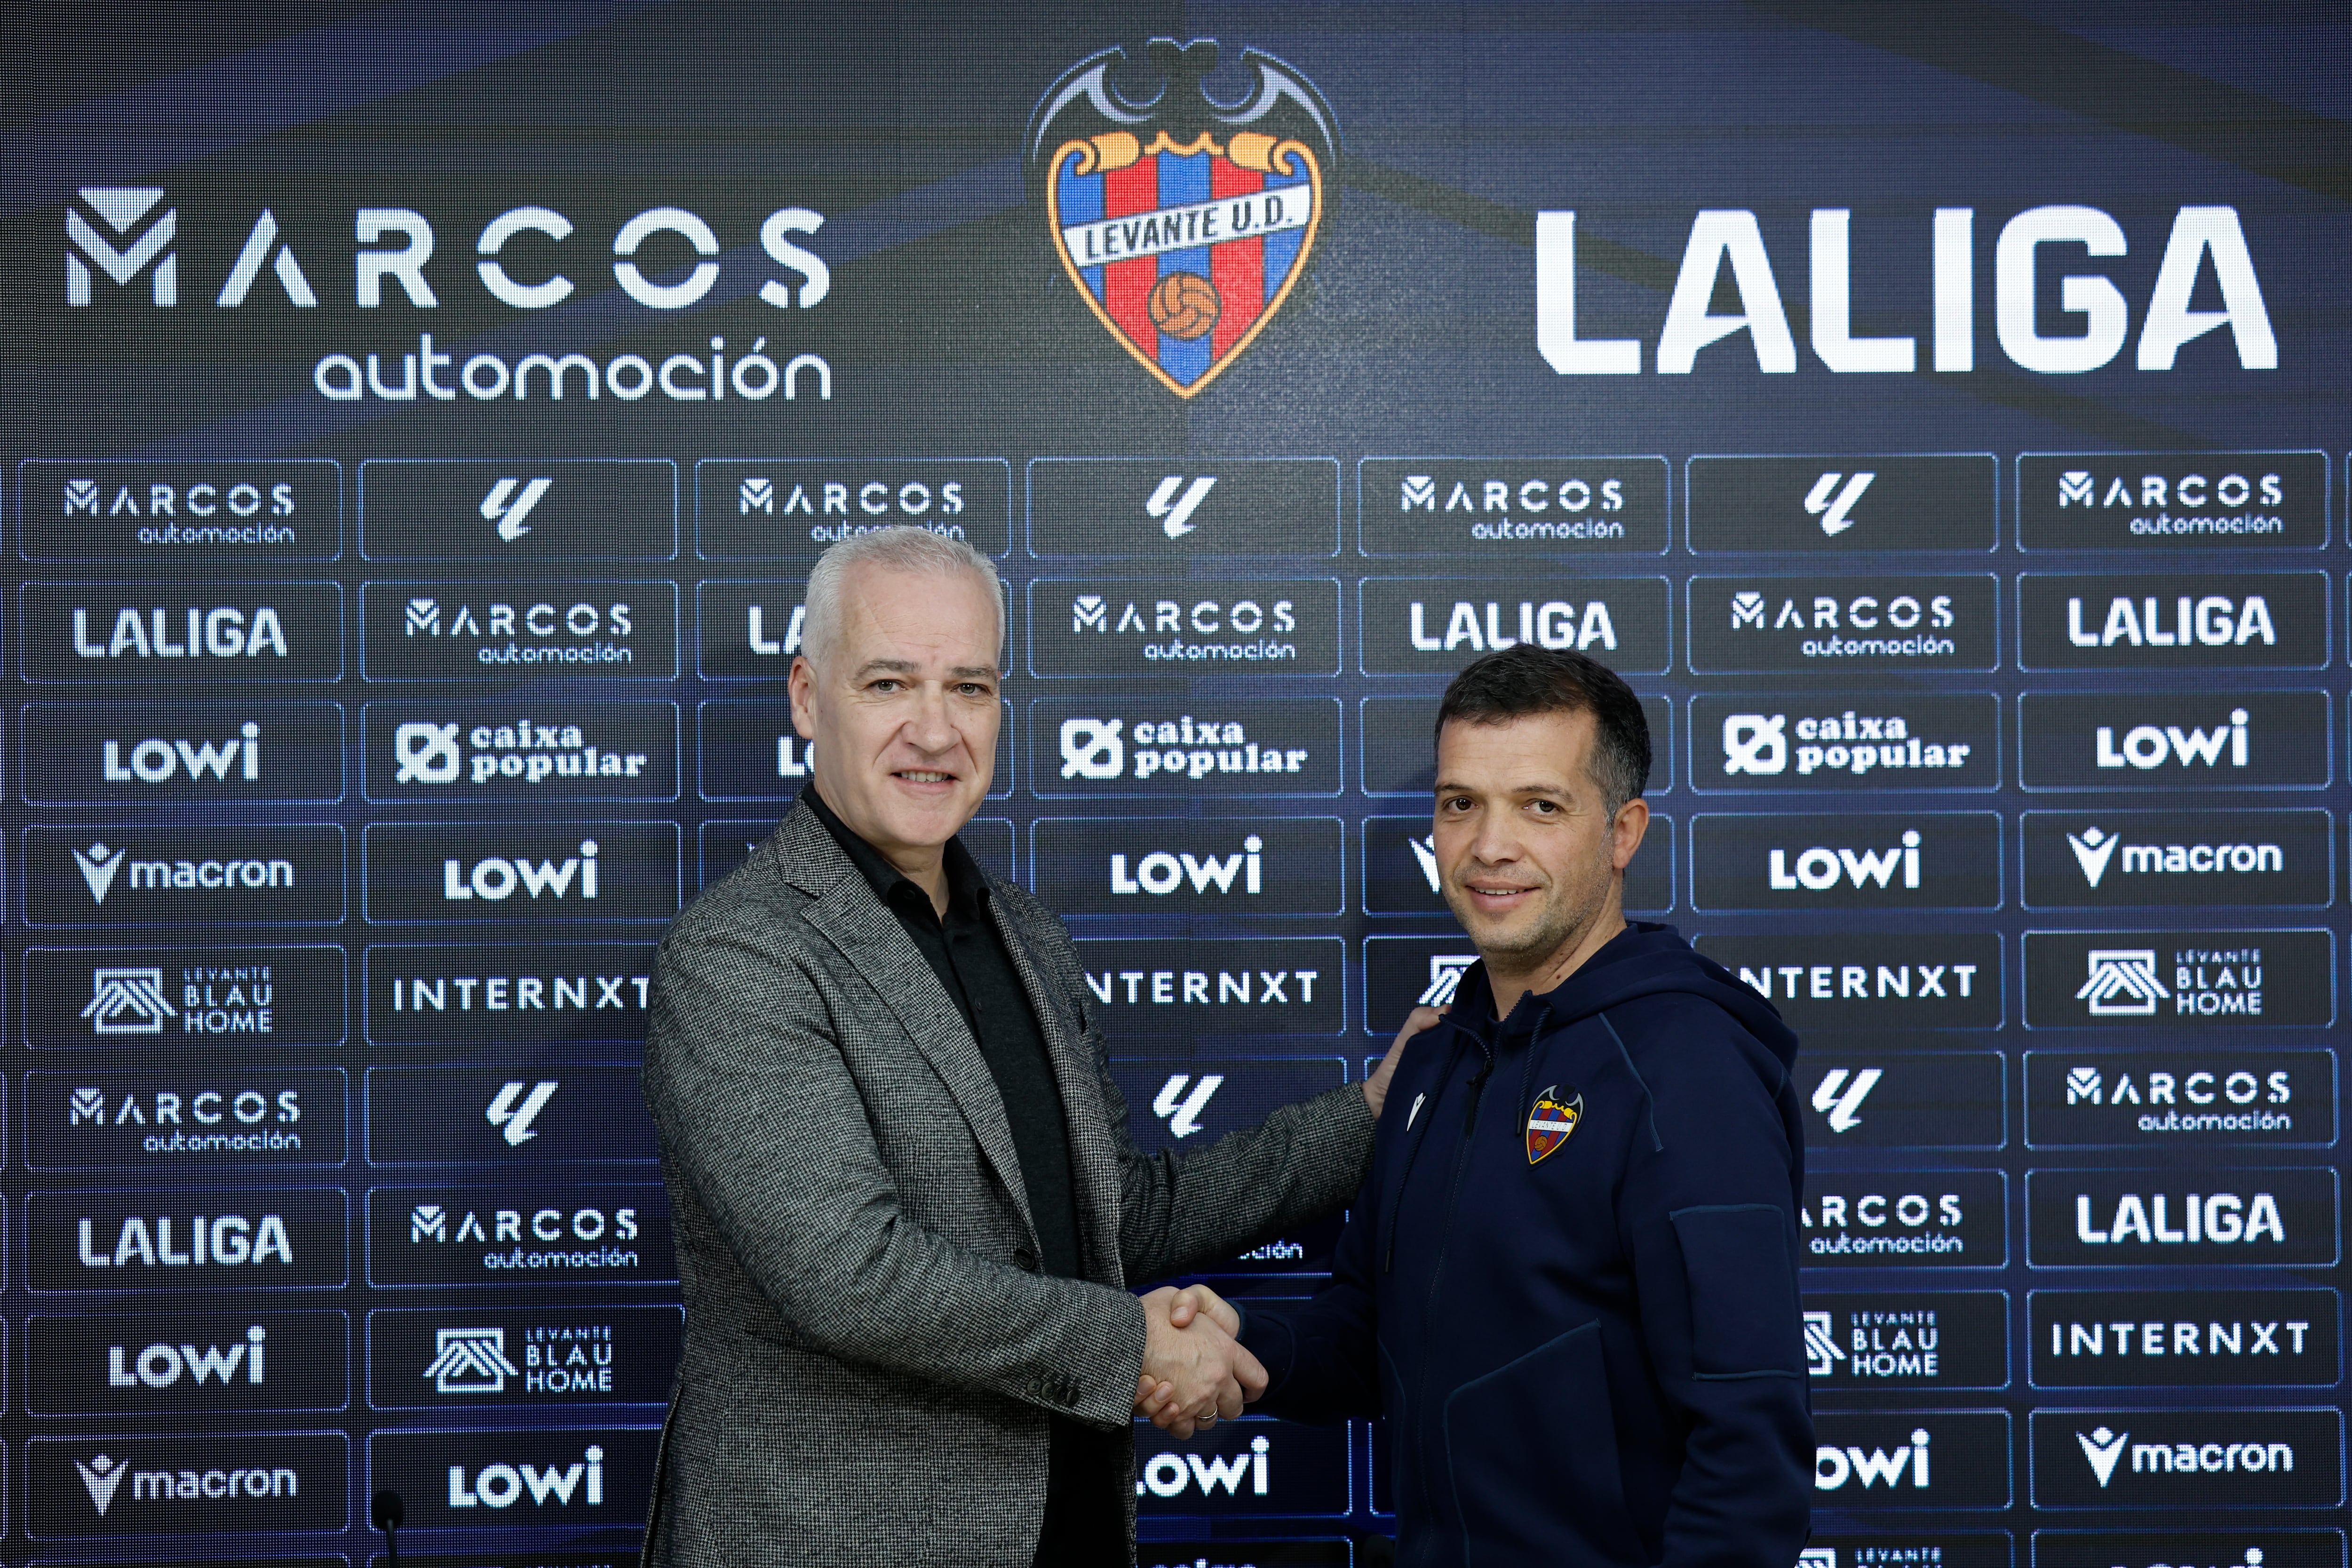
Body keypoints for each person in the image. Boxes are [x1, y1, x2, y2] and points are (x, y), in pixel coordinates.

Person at [639, 526, 1408, 1568]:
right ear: (808, 698)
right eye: (888, 683)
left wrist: (1370, 1115)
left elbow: (1113, 1217)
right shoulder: (740, 952)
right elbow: (850, 1274)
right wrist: (1136, 1344)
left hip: (1070, 1531)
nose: (934, 728)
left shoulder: (1027, 938)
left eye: (970, 687)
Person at [1171, 644, 1812, 1567]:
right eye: (1460, 803)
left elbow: (1748, 1448)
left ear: (1623, 831)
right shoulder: (1436, 1059)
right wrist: (1239, 1342)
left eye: (1540, 806)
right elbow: (1368, 1335)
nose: (1489, 846)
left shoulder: (1685, 1063)